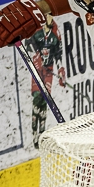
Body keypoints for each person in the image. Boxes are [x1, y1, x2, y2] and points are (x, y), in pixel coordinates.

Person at [23, 15, 65, 148]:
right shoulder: (36, 29)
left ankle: (42, 134)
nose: (50, 17)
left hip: (48, 72)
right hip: (37, 70)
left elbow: (58, 53)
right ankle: (35, 134)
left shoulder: (55, 32)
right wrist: (36, 58)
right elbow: (27, 44)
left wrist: (60, 70)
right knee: (36, 99)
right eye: (48, 14)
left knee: (45, 102)